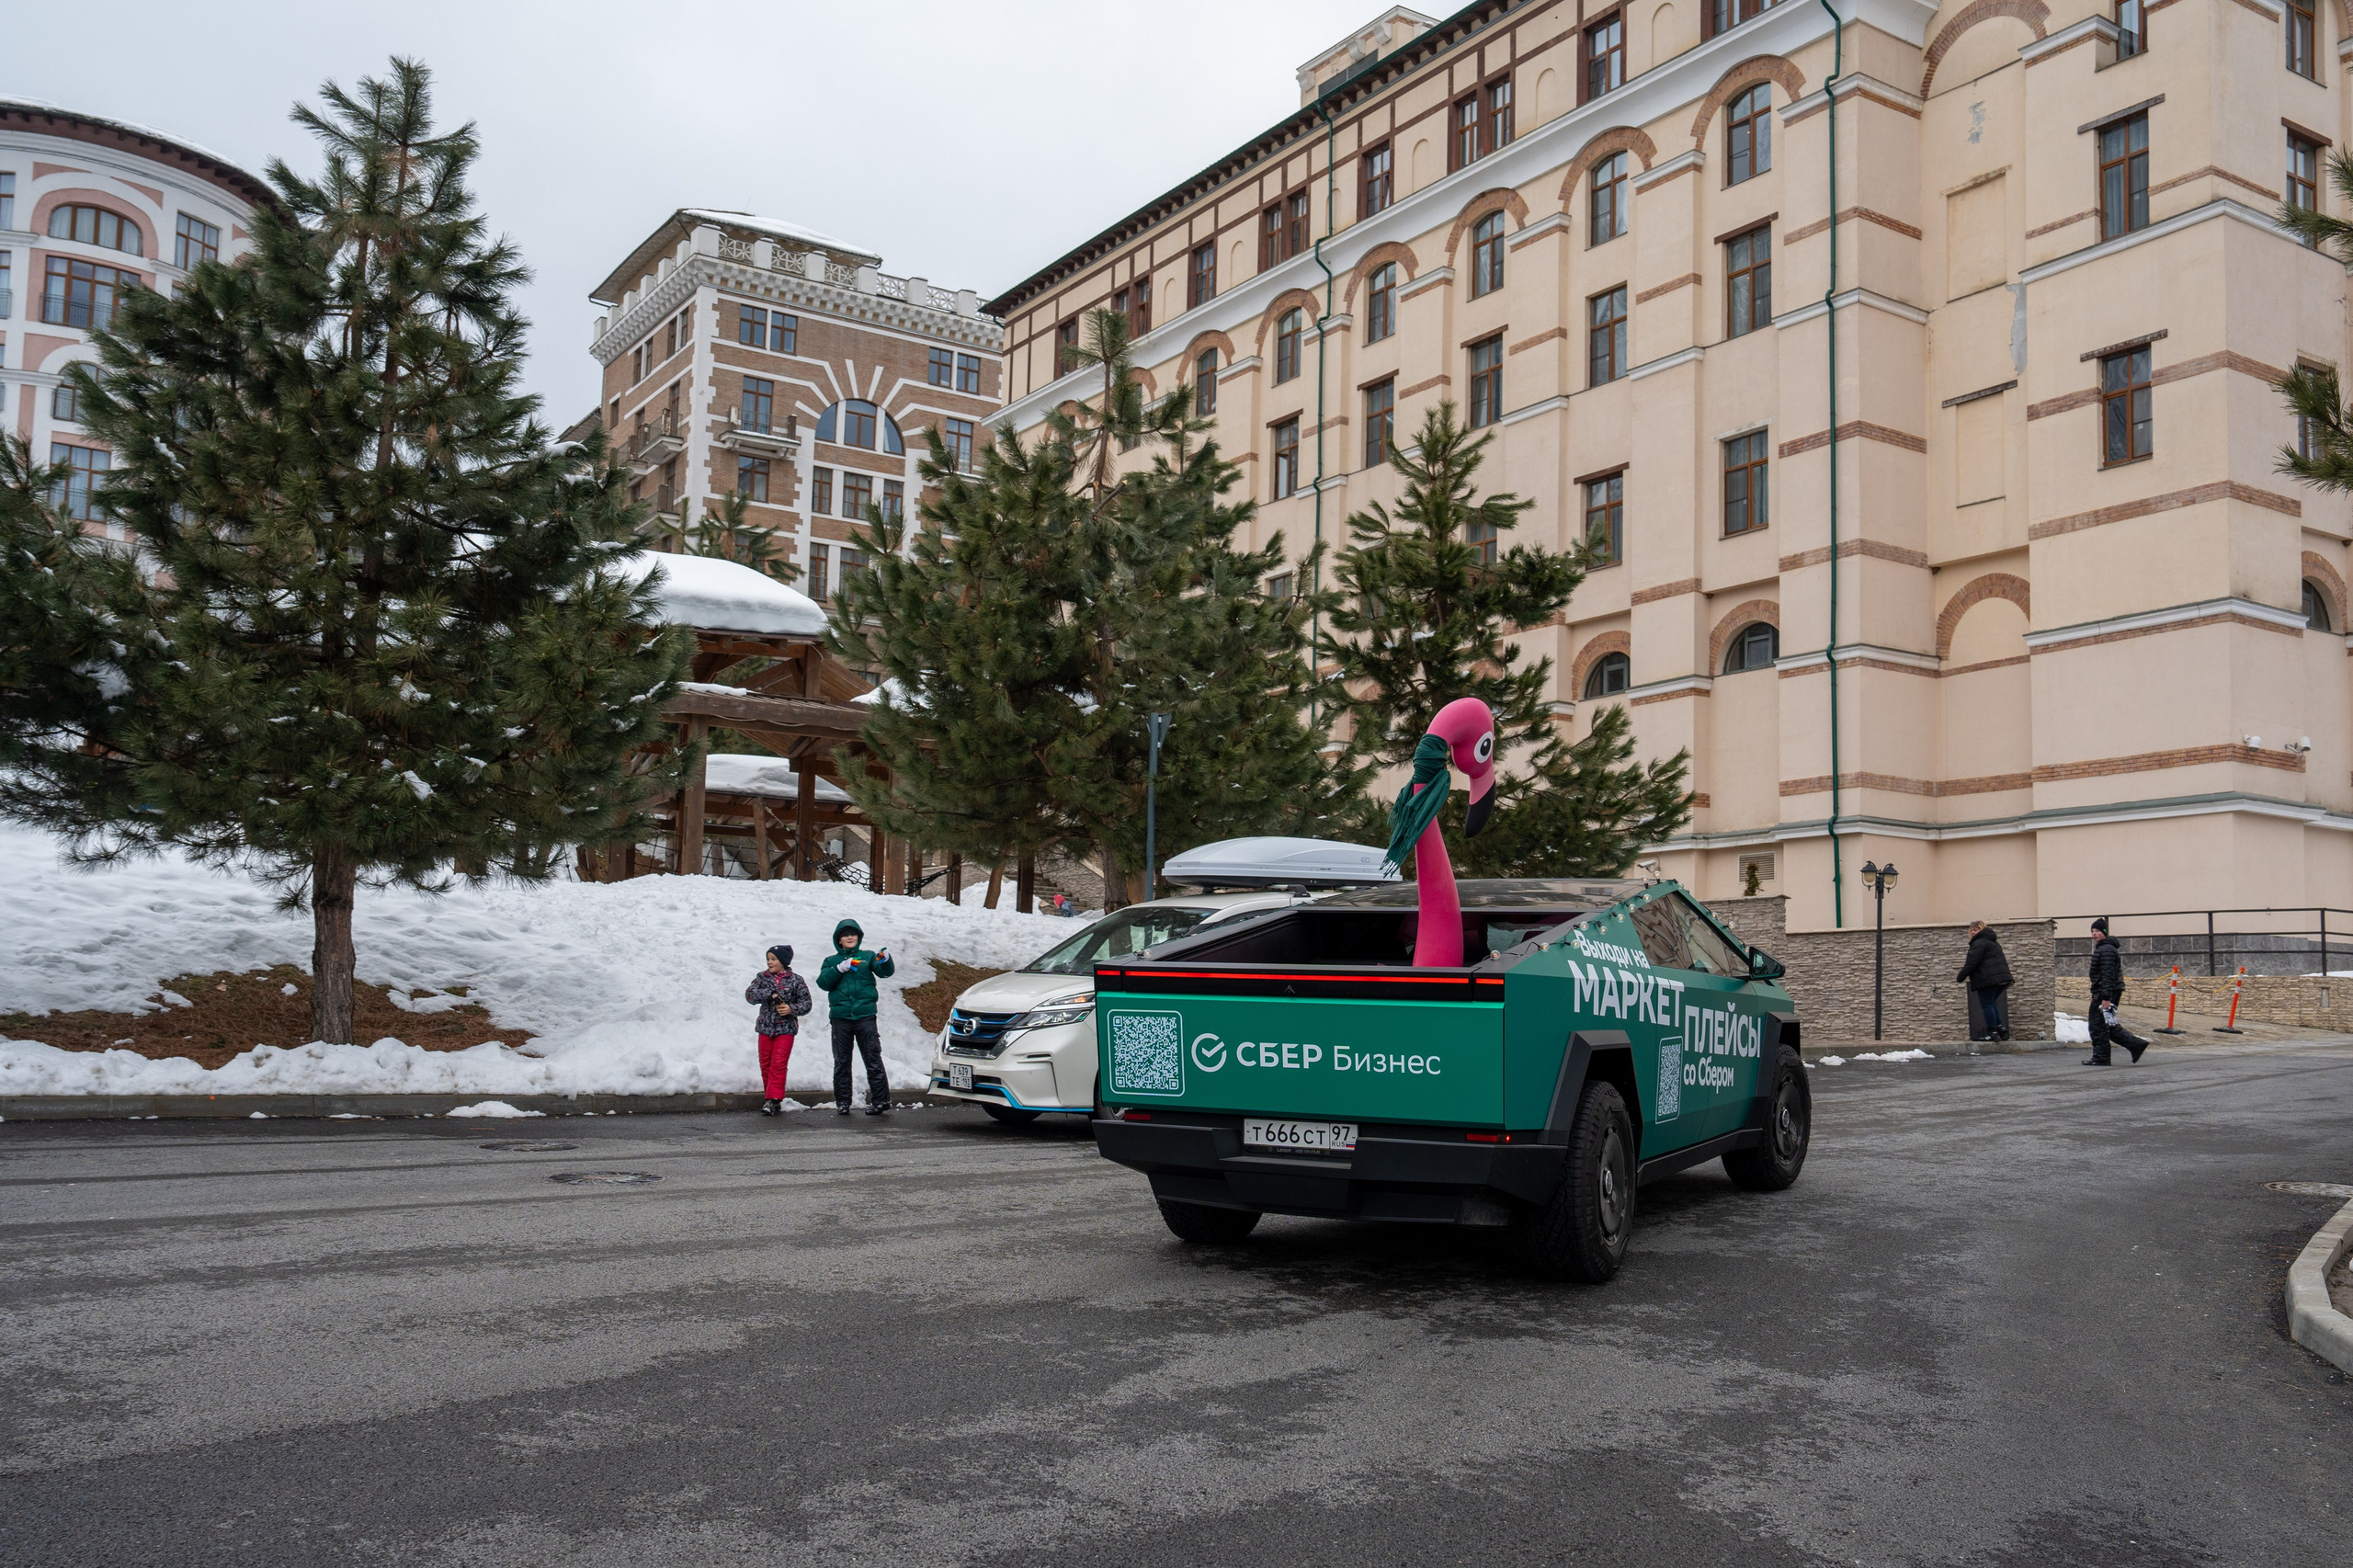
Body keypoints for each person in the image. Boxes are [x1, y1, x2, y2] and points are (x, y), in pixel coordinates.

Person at [817, 917, 895, 1115]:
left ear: (859, 937)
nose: (850, 937)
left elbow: (884, 972)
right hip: (840, 1017)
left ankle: (881, 1100)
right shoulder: (831, 961)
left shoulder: (867, 956)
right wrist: (839, 968)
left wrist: (885, 960)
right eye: (845, 934)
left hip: (865, 1016)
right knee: (842, 1061)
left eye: (853, 934)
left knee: (873, 1057)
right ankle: (843, 1102)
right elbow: (823, 983)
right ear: (839, 940)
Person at [745, 944, 813, 1117]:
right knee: (766, 1063)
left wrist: (791, 1009)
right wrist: (770, 992)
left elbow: (806, 1004)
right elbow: (750, 996)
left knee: (779, 1063)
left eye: (773, 959)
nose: (770, 962)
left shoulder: (796, 980)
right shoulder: (762, 978)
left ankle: (773, 1099)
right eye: (768, 959)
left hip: (786, 1029)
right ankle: (771, 1097)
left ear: (783, 961)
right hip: (765, 1028)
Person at [2085, 916, 2148, 1066]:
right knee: (2107, 1024)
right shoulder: (2104, 948)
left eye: (2097, 931)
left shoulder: (2106, 950)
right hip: (2104, 992)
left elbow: (2108, 975)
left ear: (2104, 932)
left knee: (2097, 1025)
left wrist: (2105, 997)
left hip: (2107, 992)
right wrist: (2096, 994)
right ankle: (2135, 1044)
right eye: (2092, 931)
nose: (2094, 933)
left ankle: (2102, 1057)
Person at [1956, 921, 2013, 1042]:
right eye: (1971, 930)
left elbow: (1972, 962)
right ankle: (2000, 1028)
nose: (1973, 932)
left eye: (1976, 929)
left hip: (1988, 979)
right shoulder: (1993, 942)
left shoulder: (1979, 943)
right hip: (2001, 978)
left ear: (1981, 930)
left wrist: (1961, 976)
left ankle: (1992, 1032)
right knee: (1991, 1004)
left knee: (1986, 1005)